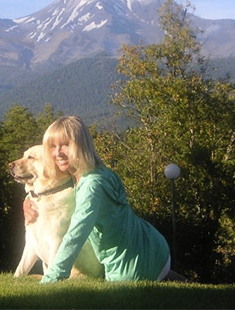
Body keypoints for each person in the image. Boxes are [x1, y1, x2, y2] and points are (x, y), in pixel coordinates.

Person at [25, 115, 171, 283]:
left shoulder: (92, 185)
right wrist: (28, 201)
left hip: (132, 262)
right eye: (52, 146)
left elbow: (77, 232)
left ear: (81, 145)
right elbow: (50, 188)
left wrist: (53, 276)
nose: (58, 153)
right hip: (151, 243)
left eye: (65, 144)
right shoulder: (85, 172)